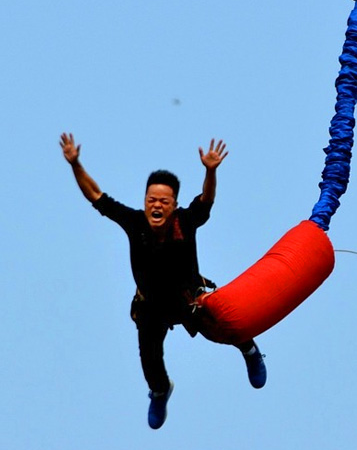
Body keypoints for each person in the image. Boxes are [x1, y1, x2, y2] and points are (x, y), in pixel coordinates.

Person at [59, 133, 267, 430]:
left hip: (189, 300)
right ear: (145, 202)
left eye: (163, 201)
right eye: (151, 200)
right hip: (152, 307)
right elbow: (96, 196)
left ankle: (250, 351)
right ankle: (160, 391)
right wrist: (75, 163)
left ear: (174, 205)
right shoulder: (134, 222)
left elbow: (207, 199)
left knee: (227, 322)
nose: (156, 206)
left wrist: (210, 171)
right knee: (150, 359)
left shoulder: (186, 220)